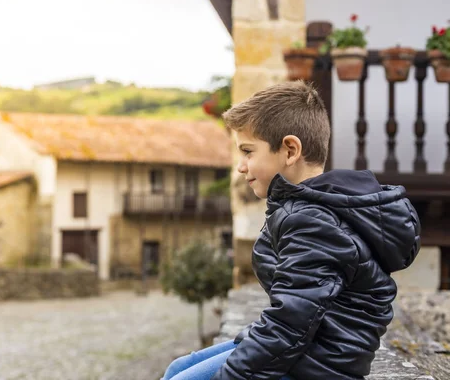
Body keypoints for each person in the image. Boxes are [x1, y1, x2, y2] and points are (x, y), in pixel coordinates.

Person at [161, 81, 421, 380]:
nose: (241, 167)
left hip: (317, 368)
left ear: (290, 150)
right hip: (307, 352)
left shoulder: (312, 222)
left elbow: (288, 324)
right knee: (177, 369)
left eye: (248, 151)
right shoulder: (310, 207)